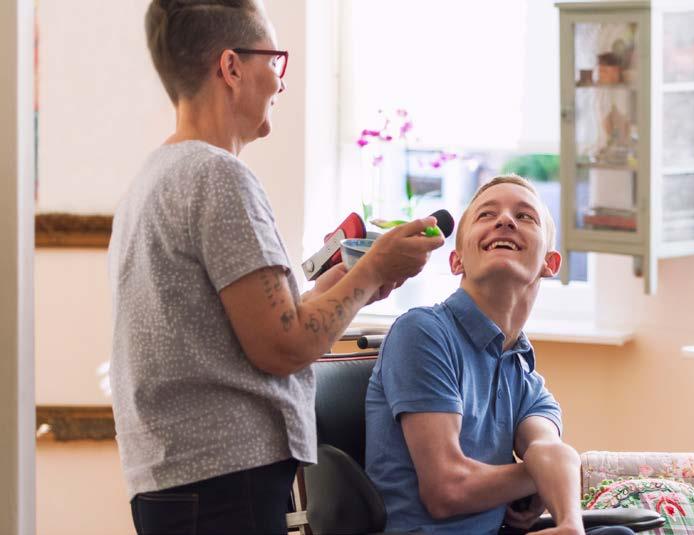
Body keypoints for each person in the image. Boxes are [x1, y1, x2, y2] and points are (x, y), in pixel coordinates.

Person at [108, 1, 444, 534]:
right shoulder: (219, 178)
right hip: (222, 482)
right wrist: (372, 268)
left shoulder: (154, 178)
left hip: (179, 479)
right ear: (232, 67)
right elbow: (284, 346)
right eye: (275, 60)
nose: (280, 83)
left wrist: (354, 279)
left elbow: (258, 329)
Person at [365, 175, 634, 535]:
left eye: (525, 217)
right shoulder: (422, 332)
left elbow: (551, 450)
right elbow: (446, 490)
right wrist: (538, 477)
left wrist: (569, 522)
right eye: (486, 215)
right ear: (457, 261)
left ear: (549, 264)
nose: (505, 220)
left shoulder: (525, 377)